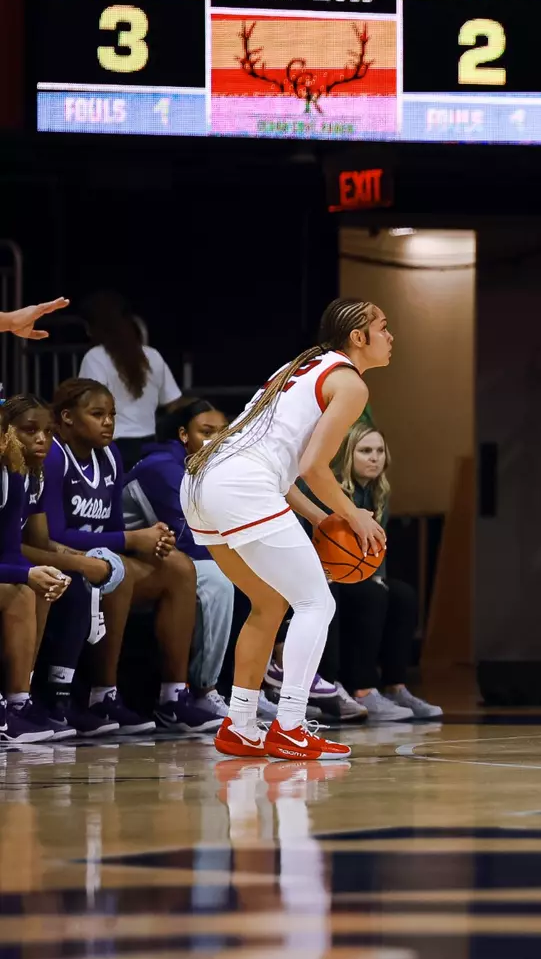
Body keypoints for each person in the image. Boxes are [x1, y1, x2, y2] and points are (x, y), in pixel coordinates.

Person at [184, 298, 392, 761]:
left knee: (269, 602)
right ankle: (291, 725)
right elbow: (315, 467)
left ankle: (239, 725)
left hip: (202, 482)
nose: (390, 336)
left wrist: (322, 518)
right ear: (358, 338)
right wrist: (353, 514)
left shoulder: (301, 366)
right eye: (383, 327)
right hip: (241, 484)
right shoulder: (350, 383)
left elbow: (288, 469)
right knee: (316, 601)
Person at [34, 378, 216, 734]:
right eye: (97, 414)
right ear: (67, 417)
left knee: (178, 565)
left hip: (101, 557)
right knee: (120, 572)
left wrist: (151, 541)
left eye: (112, 414)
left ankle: (173, 697)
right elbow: (51, 535)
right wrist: (133, 538)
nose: (108, 422)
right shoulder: (55, 455)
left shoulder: (111, 455)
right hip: (61, 558)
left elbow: (114, 527)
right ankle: (101, 695)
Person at [299, 422, 440, 721]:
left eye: (379, 451)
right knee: (370, 594)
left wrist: (376, 576)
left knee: (402, 594)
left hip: (353, 572)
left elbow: (376, 551)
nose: (374, 458)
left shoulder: (379, 492)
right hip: (321, 570)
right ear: (348, 455)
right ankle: (357, 688)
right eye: (365, 451)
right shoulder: (329, 488)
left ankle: (394, 686)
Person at [121, 398, 240, 717]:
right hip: (133, 558)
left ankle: (256, 687)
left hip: (169, 560)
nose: (216, 440)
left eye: (223, 433)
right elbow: (189, 538)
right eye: (206, 431)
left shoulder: (212, 469)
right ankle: (203, 690)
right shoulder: (162, 467)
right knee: (218, 581)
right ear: (183, 435)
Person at [0, 398, 72, 743]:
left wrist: (44, 569)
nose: (42, 439)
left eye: (47, 431)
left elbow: (27, 547)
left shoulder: (24, 476)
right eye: (29, 430)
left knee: (39, 586)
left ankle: (20, 701)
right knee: (21, 589)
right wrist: (25, 573)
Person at [78, 290, 184, 468]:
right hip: (150, 447)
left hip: (112, 447)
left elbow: (88, 404)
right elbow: (174, 402)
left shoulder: (95, 357)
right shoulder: (153, 356)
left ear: (94, 327)